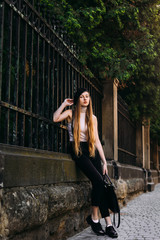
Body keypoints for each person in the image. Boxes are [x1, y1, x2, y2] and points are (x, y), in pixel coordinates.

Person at [53, 88, 118, 238]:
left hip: (90, 149)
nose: (85, 99)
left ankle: (108, 223)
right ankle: (94, 218)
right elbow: (55, 118)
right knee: (98, 181)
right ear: (77, 100)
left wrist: (104, 161)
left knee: (101, 183)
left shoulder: (92, 118)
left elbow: (95, 141)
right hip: (77, 149)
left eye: (87, 96)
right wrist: (64, 104)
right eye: (82, 97)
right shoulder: (70, 114)